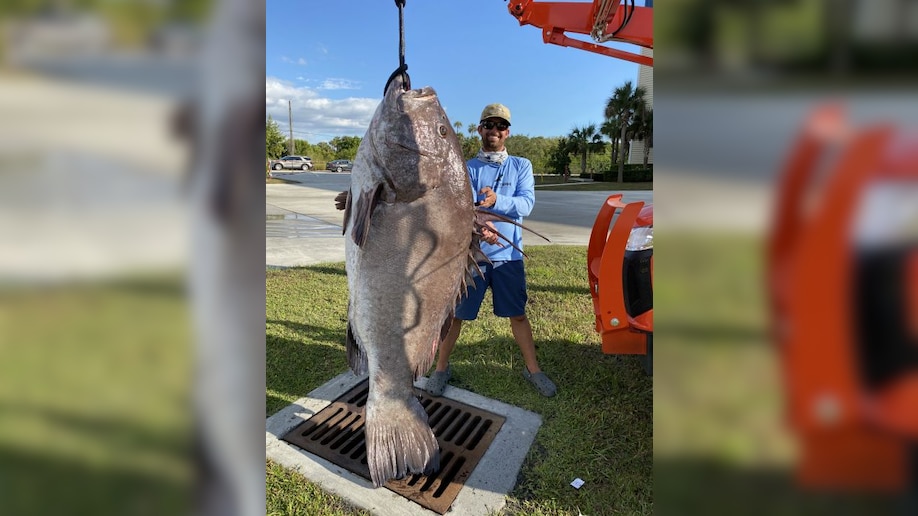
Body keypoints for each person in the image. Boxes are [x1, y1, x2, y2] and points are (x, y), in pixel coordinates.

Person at [426, 103, 557, 398]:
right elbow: (461, 209)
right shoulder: (466, 168)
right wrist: (479, 226)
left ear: (507, 132)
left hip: (508, 257)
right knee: (456, 315)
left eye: (500, 126)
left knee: (518, 315)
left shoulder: (521, 166)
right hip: (471, 256)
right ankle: (441, 368)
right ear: (479, 130)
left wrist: (497, 200)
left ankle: (533, 369)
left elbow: (526, 204)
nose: (494, 131)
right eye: (489, 125)